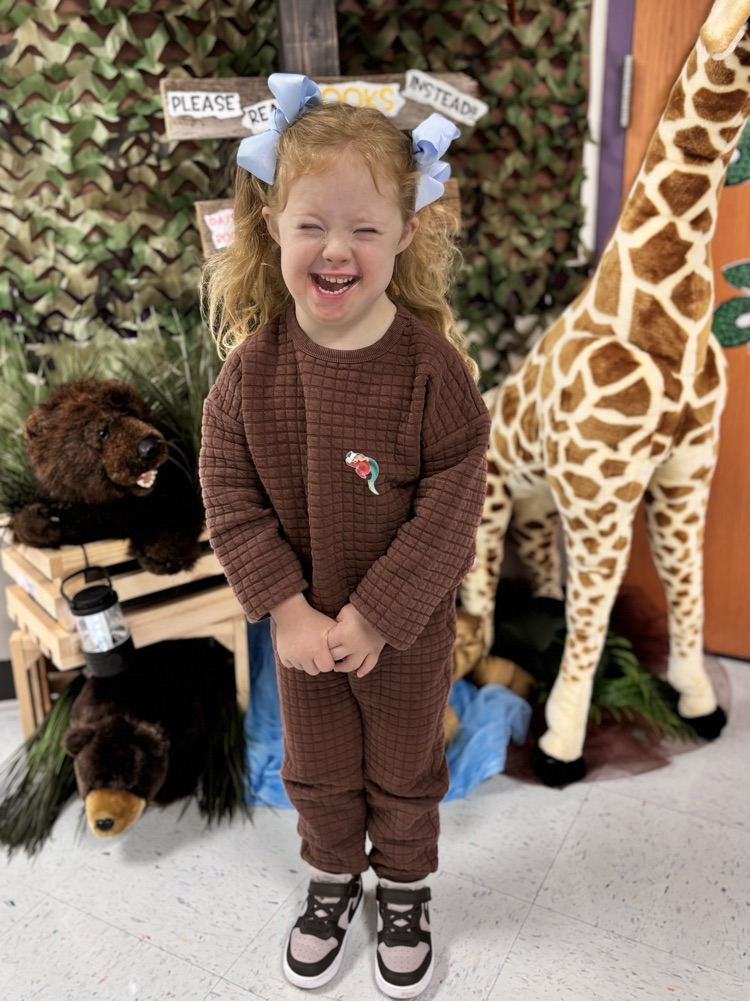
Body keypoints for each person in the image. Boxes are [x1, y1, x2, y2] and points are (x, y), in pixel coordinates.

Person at [199, 73, 490, 999]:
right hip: (301, 630)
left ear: (405, 232)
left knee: (405, 765)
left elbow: (453, 497)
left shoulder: (432, 369)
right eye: (312, 224)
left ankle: (403, 890)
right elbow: (228, 487)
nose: (337, 250)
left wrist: (375, 617)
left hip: (399, 638)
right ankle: (331, 882)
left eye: (364, 228)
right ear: (275, 223)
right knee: (317, 768)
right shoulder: (253, 371)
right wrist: (284, 607)